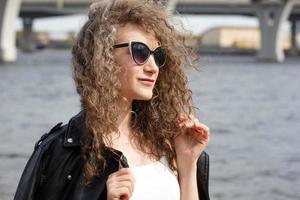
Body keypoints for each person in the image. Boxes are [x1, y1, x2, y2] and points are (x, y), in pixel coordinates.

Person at [14, 0, 210, 200]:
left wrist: (188, 165)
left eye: (157, 55)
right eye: (140, 51)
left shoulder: (169, 143)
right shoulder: (59, 152)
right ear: (102, 55)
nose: (153, 67)